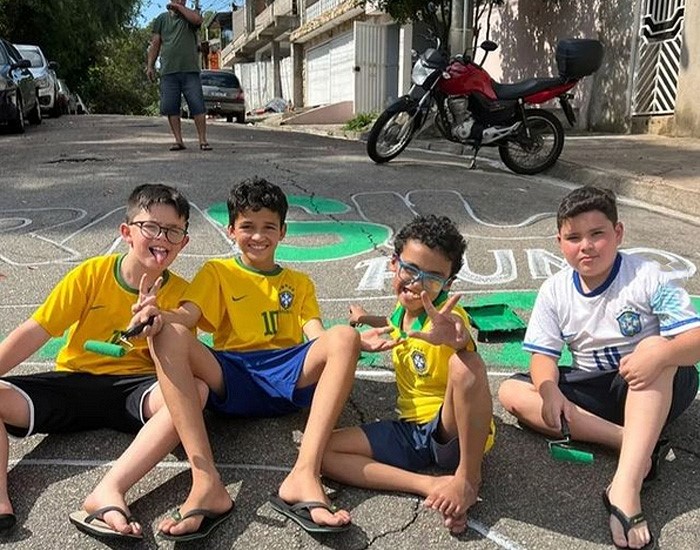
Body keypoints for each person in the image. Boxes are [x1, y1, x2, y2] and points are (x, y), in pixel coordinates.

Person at [144, 177, 396, 541]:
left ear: (283, 232)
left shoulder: (299, 282)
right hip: (234, 372)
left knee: (343, 335)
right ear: (231, 230)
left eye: (268, 227)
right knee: (166, 332)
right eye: (247, 226)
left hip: (287, 372)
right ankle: (206, 483)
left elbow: (316, 336)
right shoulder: (218, 272)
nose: (257, 236)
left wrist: (355, 342)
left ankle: (304, 475)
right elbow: (187, 316)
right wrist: (159, 315)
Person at [497, 186, 700, 550]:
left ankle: (625, 485)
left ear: (617, 233)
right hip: (597, 392)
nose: (586, 246)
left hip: (656, 385)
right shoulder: (555, 290)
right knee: (511, 391)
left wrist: (660, 354)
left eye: (597, 235)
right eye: (573, 238)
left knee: (655, 347)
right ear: (559, 241)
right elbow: (543, 356)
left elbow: (695, 338)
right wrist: (548, 390)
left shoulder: (648, 277)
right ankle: (634, 444)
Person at [0, 184, 193, 538]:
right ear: (126, 232)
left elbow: (180, 362)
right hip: (75, 382)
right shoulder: (91, 274)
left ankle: (110, 489)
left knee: (193, 392)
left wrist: (157, 326)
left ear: (184, 242)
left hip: (138, 389)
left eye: (173, 231)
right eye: (150, 226)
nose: (161, 237)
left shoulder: (183, 293)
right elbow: (36, 330)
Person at [321, 215, 495, 534]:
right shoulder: (404, 309)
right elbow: (395, 325)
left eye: (432, 278)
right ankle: (432, 485)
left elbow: (459, 334)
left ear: (449, 284)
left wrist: (462, 343)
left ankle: (468, 479)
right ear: (393, 263)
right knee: (322, 450)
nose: (416, 283)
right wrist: (366, 318)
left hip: (451, 429)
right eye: (410, 269)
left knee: (466, 365)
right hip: (411, 431)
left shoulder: (447, 318)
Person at [146, 0, 211, 152]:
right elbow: (155, 43)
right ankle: (178, 140)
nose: (179, 0)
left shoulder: (190, 17)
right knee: (171, 107)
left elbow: (197, 20)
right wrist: (150, 65)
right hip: (168, 70)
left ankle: (203, 140)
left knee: (197, 105)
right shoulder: (161, 19)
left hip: (190, 70)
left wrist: (179, 8)